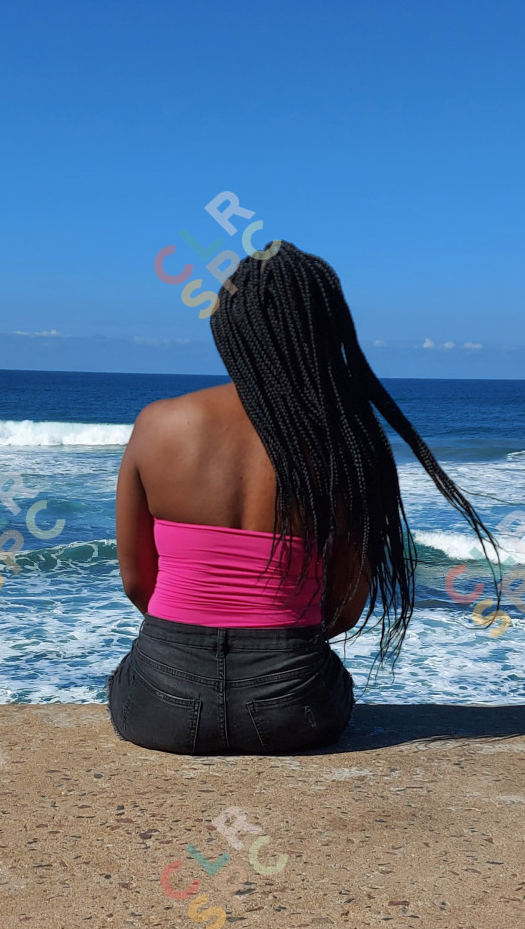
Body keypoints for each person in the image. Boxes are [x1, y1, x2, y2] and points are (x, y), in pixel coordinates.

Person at [107, 242, 498, 754]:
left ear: (229, 326)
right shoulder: (345, 443)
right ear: (327, 329)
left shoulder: (157, 424)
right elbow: (344, 609)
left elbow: (139, 582)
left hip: (159, 706)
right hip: (294, 711)